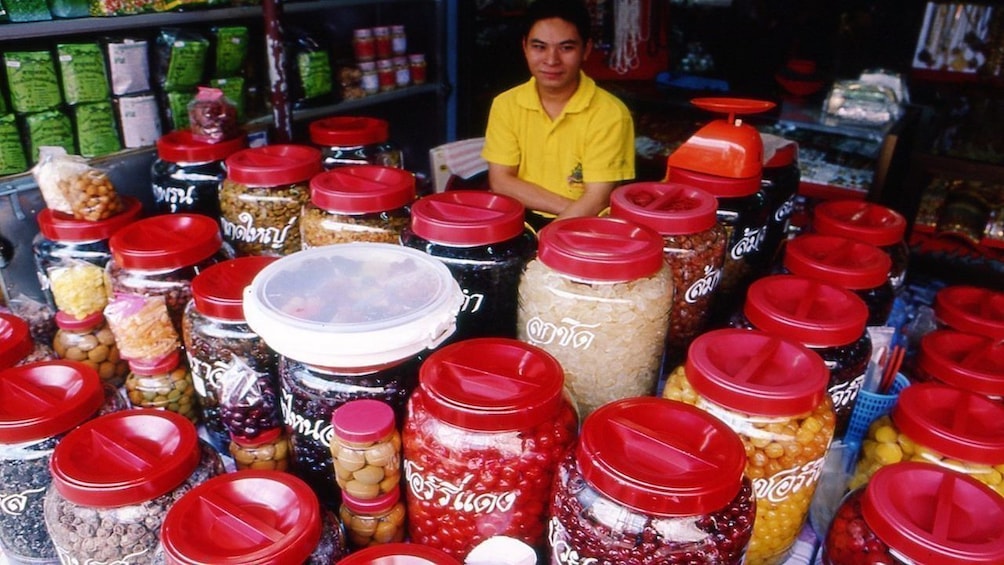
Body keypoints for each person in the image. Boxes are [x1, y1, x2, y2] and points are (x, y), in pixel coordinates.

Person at [481, 0, 635, 229]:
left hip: (585, 225)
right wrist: (569, 209)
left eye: (566, 47)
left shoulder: (610, 114)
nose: (551, 60)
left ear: (586, 49)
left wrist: (547, 239)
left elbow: (597, 197)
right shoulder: (506, 105)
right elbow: (501, 181)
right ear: (524, 47)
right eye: (539, 47)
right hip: (519, 217)